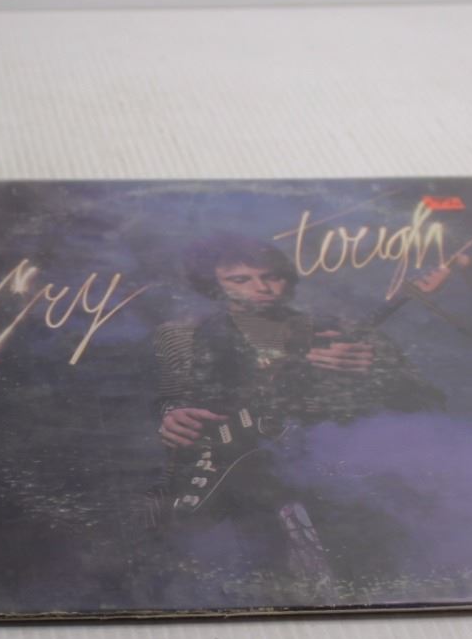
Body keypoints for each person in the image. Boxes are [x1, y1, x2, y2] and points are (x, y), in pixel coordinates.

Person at [151, 234, 441, 587]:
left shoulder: (334, 327)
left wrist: (375, 368)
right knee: (254, 573)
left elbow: (422, 399)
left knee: (360, 570)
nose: (261, 288)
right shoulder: (184, 334)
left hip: (325, 468)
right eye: (240, 279)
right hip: (233, 474)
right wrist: (172, 416)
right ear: (213, 284)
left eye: (272, 276)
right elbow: (173, 397)